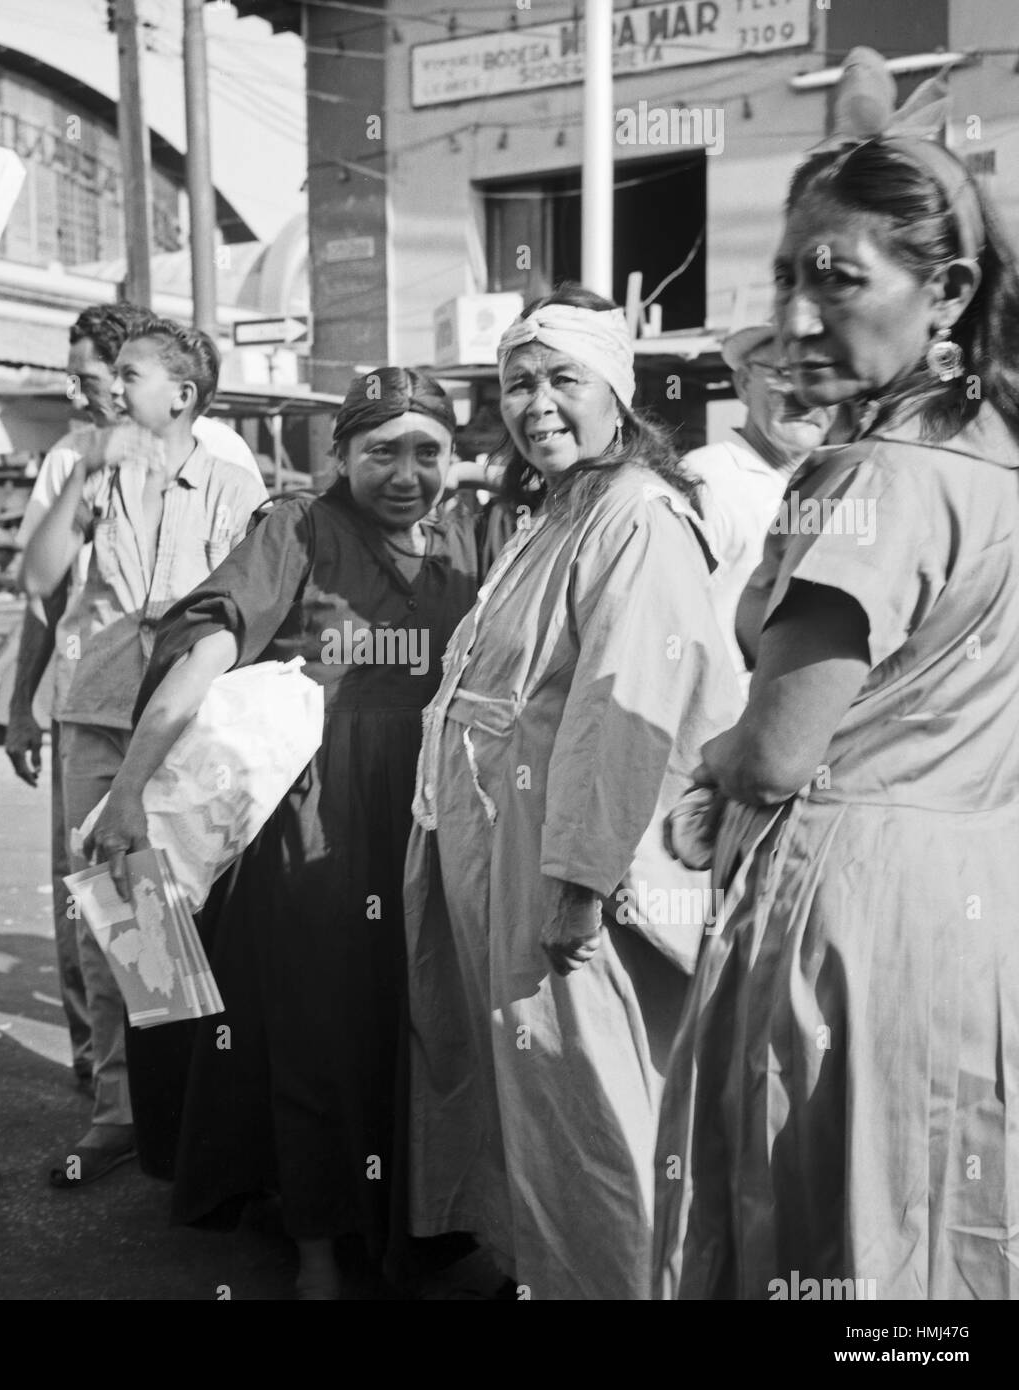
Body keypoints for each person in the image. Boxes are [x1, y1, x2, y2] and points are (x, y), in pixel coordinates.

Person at [654, 134, 1019, 1300]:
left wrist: (709, 763)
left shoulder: (878, 475)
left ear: (947, 291)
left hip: (849, 914)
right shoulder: (996, 461)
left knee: (824, 1234)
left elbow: (775, 750)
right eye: (785, 281)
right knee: (933, 1236)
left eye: (837, 278)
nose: (799, 319)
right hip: (974, 908)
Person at [84, 367, 480, 1298]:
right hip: (315, 817)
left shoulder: (469, 545)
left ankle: (413, 1222)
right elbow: (209, 642)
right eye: (381, 450)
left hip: (429, 819)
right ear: (338, 454)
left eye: (429, 450)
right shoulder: (297, 527)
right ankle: (313, 1247)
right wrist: (131, 790)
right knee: (314, 1031)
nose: (406, 471)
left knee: (416, 1025)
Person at [402, 285, 742, 1300]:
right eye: (516, 383)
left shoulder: (636, 514)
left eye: (561, 379)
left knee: (590, 1106)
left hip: (559, 868)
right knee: (538, 1101)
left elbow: (625, 708)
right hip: (499, 852)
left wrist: (579, 881)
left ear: (616, 392)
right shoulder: (558, 510)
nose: (535, 402)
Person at [23, 315, 267, 1188]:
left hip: (182, 727)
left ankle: (182, 1111)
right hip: (94, 715)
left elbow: (255, 613)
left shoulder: (235, 486)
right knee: (106, 914)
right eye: (112, 373)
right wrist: (81, 478)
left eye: (128, 374)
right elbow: (40, 580)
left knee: (181, 918)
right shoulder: (89, 466)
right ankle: (120, 1114)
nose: (109, 386)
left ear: (185, 395)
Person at [682, 324, 834, 682]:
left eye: (819, 376)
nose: (805, 396)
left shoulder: (830, 486)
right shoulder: (704, 479)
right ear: (744, 385)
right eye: (785, 373)